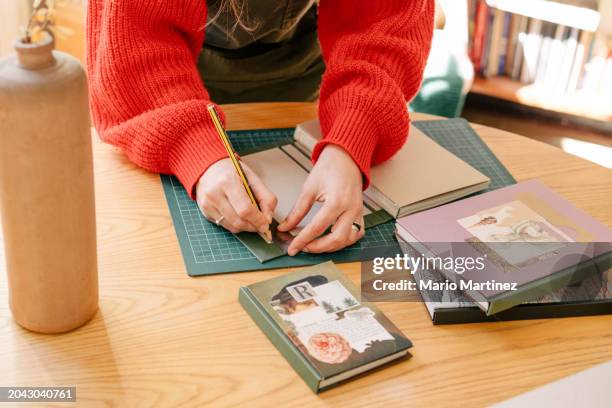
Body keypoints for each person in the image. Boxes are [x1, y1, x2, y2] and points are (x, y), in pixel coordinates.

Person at [87, 0, 434, 255]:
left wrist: (350, 140)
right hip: (173, 72)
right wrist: (197, 151)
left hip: (307, 67)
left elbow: (384, 23)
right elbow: (135, 47)